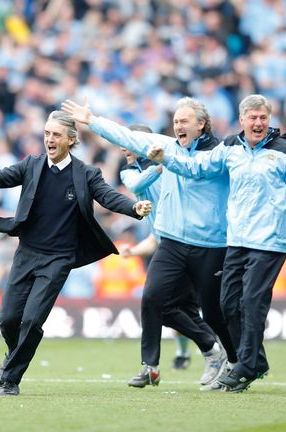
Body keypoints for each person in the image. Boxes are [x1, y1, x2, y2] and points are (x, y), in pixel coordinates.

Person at [0, 110, 153, 396]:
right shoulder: (31, 165)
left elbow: (108, 197)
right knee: (9, 320)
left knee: (32, 320)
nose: (49, 139)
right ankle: (14, 356)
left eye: (56, 134)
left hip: (59, 259)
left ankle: (11, 378)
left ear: (71, 140)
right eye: (47, 133)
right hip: (27, 253)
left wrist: (133, 208)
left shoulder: (86, 174)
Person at [62, 97, 235, 390]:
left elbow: (213, 168)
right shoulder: (158, 152)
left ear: (201, 124)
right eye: (176, 122)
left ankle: (230, 358)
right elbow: (127, 140)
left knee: (212, 312)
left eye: (184, 121)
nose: (178, 126)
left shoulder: (218, 153)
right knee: (153, 298)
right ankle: (158, 363)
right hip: (170, 240)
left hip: (210, 244)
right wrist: (92, 121)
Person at [146, 94, 286, 392]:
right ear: (242, 120)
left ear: (269, 119)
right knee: (226, 304)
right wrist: (166, 159)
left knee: (252, 301)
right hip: (236, 239)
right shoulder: (230, 148)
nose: (258, 122)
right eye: (252, 117)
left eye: (263, 117)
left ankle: (246, 366)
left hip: (270, 241)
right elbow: (196, 167)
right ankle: (256, 361)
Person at [118, 129, 192, 370]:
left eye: (128, 141)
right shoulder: (130, 172)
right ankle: (171, 358)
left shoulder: (171, 170)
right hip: (169, 250)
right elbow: (155, 236)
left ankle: (217, 350)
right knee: (164, 305)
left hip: (191, 245)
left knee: (193, 310)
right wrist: (161, 166)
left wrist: (165, 164)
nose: (123, 146)